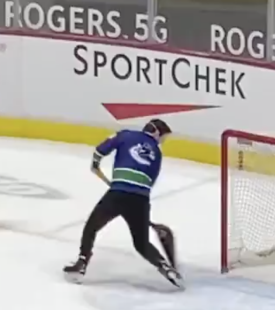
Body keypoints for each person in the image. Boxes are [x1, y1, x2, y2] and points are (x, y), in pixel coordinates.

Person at [63, 118, 184, 289]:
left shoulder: (125, 135)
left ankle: (81, 264)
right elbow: (150, 181)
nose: (162, 140)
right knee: (141, 244)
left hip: (118, 193)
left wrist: (96, 163)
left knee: (92, 227)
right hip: (141, 199)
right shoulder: (156, 153)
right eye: (163, 136)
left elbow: (101, 148)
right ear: (156, 132)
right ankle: (165, 266)